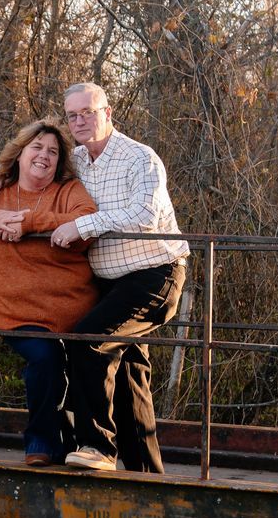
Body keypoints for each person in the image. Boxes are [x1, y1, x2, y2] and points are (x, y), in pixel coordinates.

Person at [0, 120, 98, 466]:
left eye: (53, 152)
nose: (44, 156)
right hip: (19, 314)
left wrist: (29, 223)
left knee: (86, 363)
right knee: (45, 357)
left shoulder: (68, 190)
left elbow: (88, 220)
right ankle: (40, 442)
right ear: (20, 152)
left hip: (75, 311)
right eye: (37, 147)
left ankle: (74, 444)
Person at [50, 82, 187, 473]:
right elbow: (33, 164)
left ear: (108, 113)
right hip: (108, 283)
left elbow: (144, 216)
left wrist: (83, 226)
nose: (79, 121)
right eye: (72, 115)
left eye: (88, 112)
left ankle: (97, 447)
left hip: (154, 274)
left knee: (89, 340)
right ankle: (145, 472)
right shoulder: (74, 160)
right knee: (130, 373)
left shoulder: (140, 159)